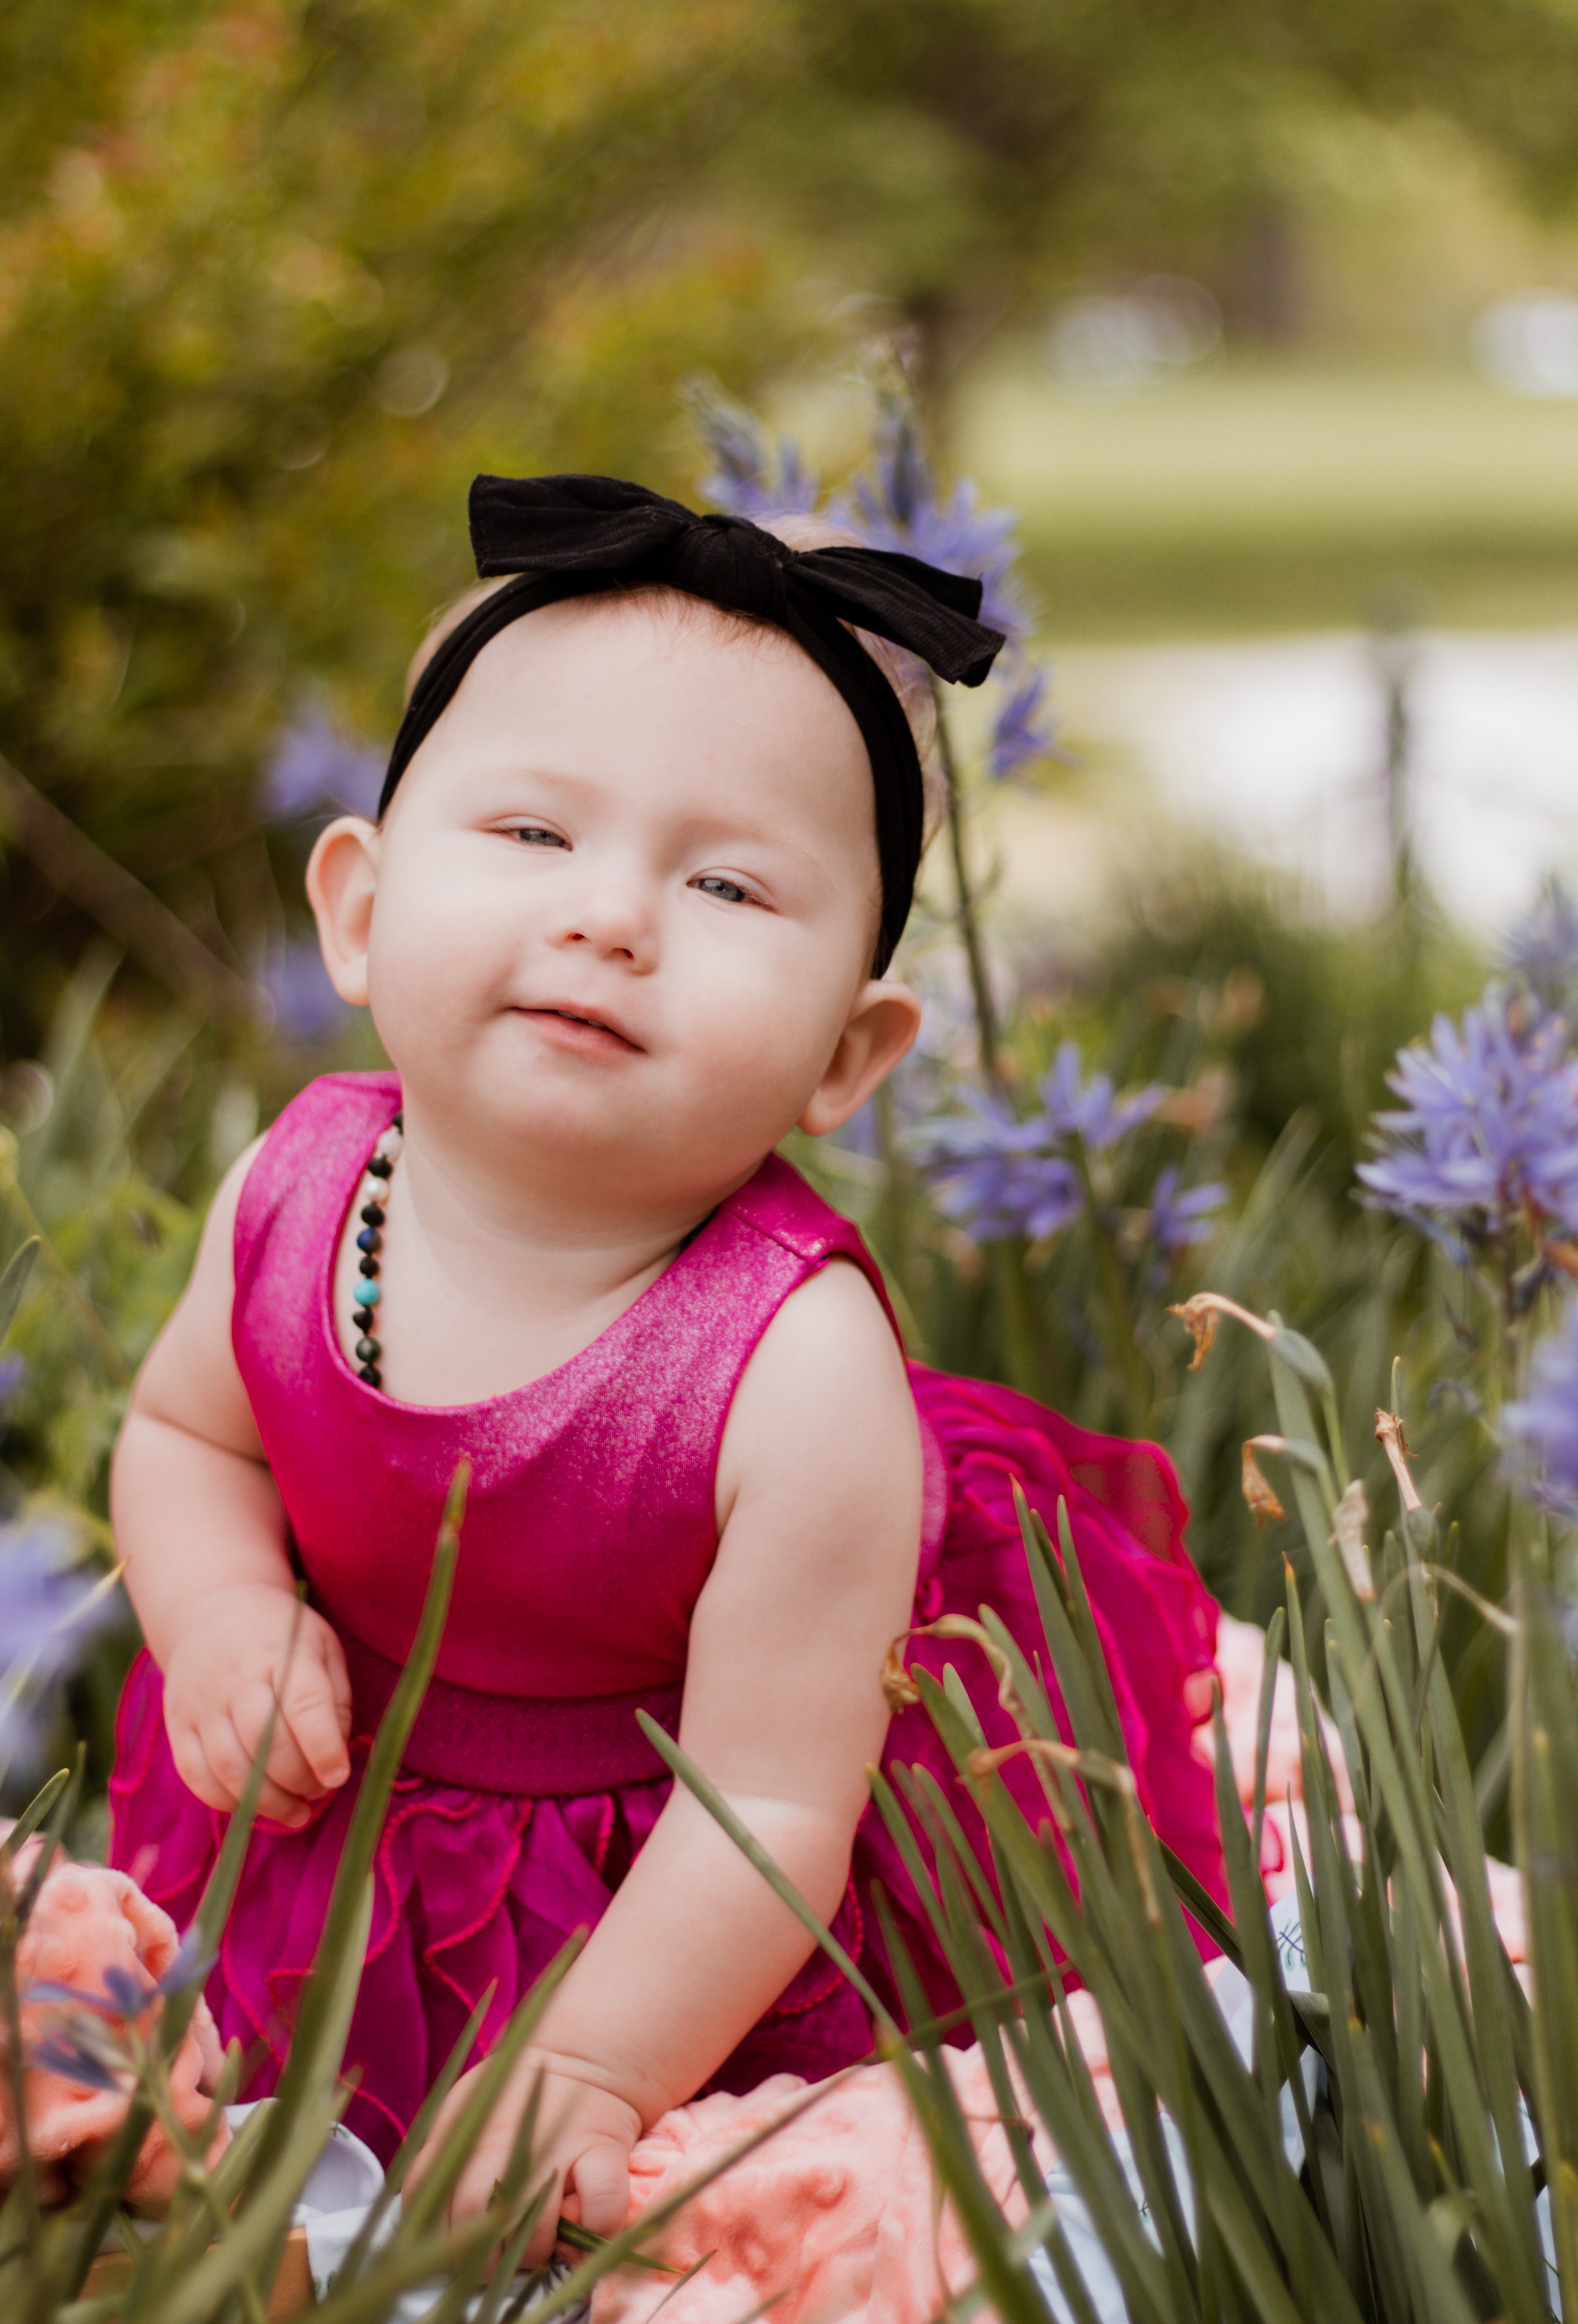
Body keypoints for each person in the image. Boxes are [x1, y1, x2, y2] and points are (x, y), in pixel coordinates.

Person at [107, 474, 1225, 2251]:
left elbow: (770, 1801)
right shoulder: (298, 1189)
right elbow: (189, 1434)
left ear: (847, 1054)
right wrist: (224, 1609)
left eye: (724, 883)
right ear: (358, 910)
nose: (613, 915)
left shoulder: (798, 1370)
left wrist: (599, 2064)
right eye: (533, 833)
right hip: (342, 1832)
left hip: (691, 1909)